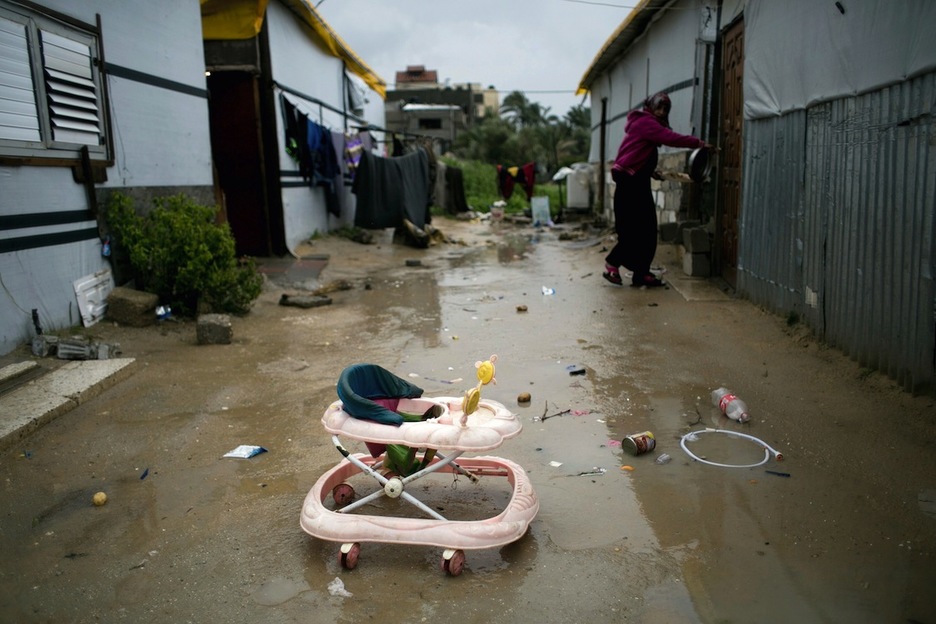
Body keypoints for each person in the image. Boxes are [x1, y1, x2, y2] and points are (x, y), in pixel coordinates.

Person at [603, 92, 714, 287]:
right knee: (634, 230)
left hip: (636, 182)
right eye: (659, 107)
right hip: (631, 185)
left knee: (645, 229)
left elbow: (633, 154)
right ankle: (613, 263)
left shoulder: (644, 125)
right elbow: (670, 138)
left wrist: (649, 172)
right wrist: (699, 144)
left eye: (665, 109)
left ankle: (640, 273)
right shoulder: (646, 123)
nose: (662, 112)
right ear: (650, 107)